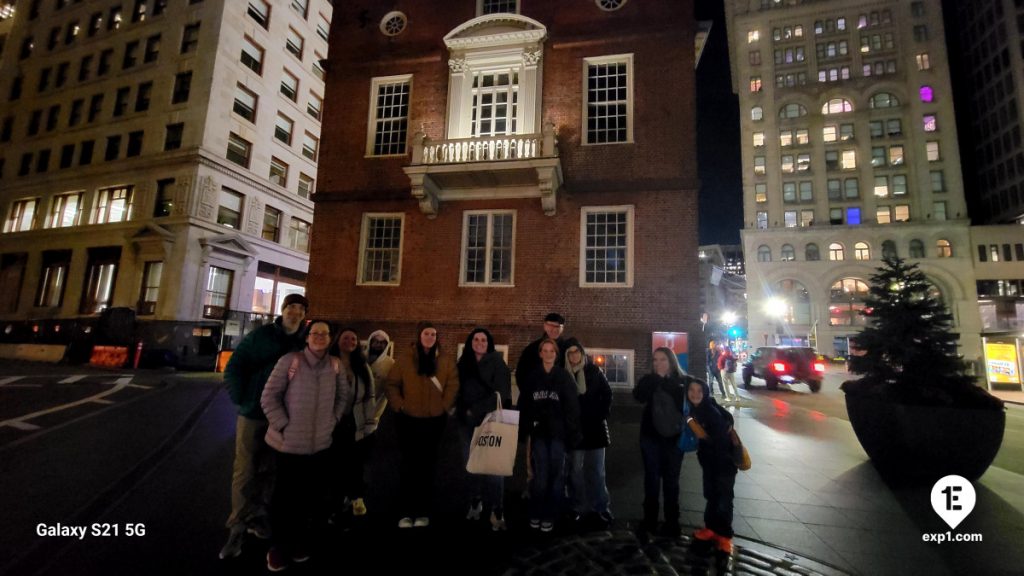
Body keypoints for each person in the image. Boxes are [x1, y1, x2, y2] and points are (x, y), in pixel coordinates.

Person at [219, 293, 308, 560]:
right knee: (245, 469)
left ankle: (258, 515)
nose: (295, 312)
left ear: (304, 314)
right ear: (283, 310)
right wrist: (241, 399)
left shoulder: (303, 341)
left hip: (280, 416)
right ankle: (237, 525)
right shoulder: (261, 336)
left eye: (300, 309)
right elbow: (234, 367)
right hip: (254, 413)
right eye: (291, 307)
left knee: (270, 469)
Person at [260, 321, 352, 571]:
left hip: (320, 445)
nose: (320, 337)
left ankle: (300, 541)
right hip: (287, 446)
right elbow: (269, 396)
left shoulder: (335, 365)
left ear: (331, 338)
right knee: (283, 499)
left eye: (325, 334)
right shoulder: (291, 361)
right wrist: (283, 425)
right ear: (307, 337)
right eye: (315, 333)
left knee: (310, 498)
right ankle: (277, 547)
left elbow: (343, 396)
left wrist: (332, 420)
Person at [384, 322, 459, 529]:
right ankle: (405, 511)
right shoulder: (405, 359)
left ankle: (423, 510)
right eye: (426, 333)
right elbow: (392, 384)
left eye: (433, 334)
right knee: (408, 465)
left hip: (434, 420)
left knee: (428, 466)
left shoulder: (444, 360)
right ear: (419, 336)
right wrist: (400, 405)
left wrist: (443, 406)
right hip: (409, 419)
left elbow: (453, 384)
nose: (430, 337)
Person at [519, 338, 581, 533]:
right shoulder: (533, 377)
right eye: (544, 351)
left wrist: (571, 433)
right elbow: (525, 405)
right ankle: (537, 511)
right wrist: (526, 427)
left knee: (557, 475)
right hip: (538, 433)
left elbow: (572, 407)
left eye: (551, 351)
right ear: (540, 354)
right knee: (540, 474)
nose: (547, 354)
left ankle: (550, 514)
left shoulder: (563, 377)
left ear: (556, 354)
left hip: (558, 434)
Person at [455, 328, 512, 531]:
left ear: (489, 343)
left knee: (494, 466)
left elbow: (502, 392)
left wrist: (475, 410)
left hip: (490, 421)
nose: (480, 342)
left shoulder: (497, 362)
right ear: (471, 342)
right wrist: (460, 410)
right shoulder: (463, 363)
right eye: (476, 339)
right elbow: (456, 389)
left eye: (484, 340)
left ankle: (497, 508)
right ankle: (475, 500)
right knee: (471, 464)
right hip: (466, 423)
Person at [633, 347, 689, 536]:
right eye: (655, 360)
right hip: (650, 437)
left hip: (674, 439)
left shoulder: (682, 381)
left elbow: (695, 402)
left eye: (663, 359)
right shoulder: (649, 380)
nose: (658, 363)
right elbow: (638, 396)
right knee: (651, 479)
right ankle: (650, 519)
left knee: (671, 481)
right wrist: (655, 380)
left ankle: (672, 521)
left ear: (671, 361)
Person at [563, 338, 614, 528]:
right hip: (575, 431)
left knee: (597, 471)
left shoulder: (593, 371)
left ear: (582, 354)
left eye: (577, 351)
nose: (574, 355)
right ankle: (577, 506)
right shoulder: (564, 375)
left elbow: (607, 394)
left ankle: (600, 507)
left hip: (594, 429)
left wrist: (601, 414)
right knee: (575, 471)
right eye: (570, 353)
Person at [686, 377, 739, 555]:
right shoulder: (697, 410)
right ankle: (710, 528)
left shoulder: (709, 412)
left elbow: (720, 440)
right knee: (711, 496)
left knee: (724, 500)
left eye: (699, 391)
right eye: (691, 390)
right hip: (710, 463)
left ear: (705, 393)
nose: (695, 394)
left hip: (723, 464)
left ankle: (724, 537)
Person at [331, 328, 378, 522]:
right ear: (337, 341)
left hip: (355, 419)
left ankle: (356, 496)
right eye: (345, 338)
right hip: (334, 420)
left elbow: (370, 395)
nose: (350, 341)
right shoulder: (329, 362)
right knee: (335, 462)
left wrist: (369, 422)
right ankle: (336, 500)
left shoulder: (361, 365)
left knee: (356, 461)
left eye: (354, 338)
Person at [515, 313, 566, 397]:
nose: (554, 329)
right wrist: (530, 395)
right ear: (545, 326)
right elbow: (521, 374)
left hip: (560, 401)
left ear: (562, 329)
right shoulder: (531, 349)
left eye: (558, 327)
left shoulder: (567, 348)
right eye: (551, 326)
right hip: (535, 399)